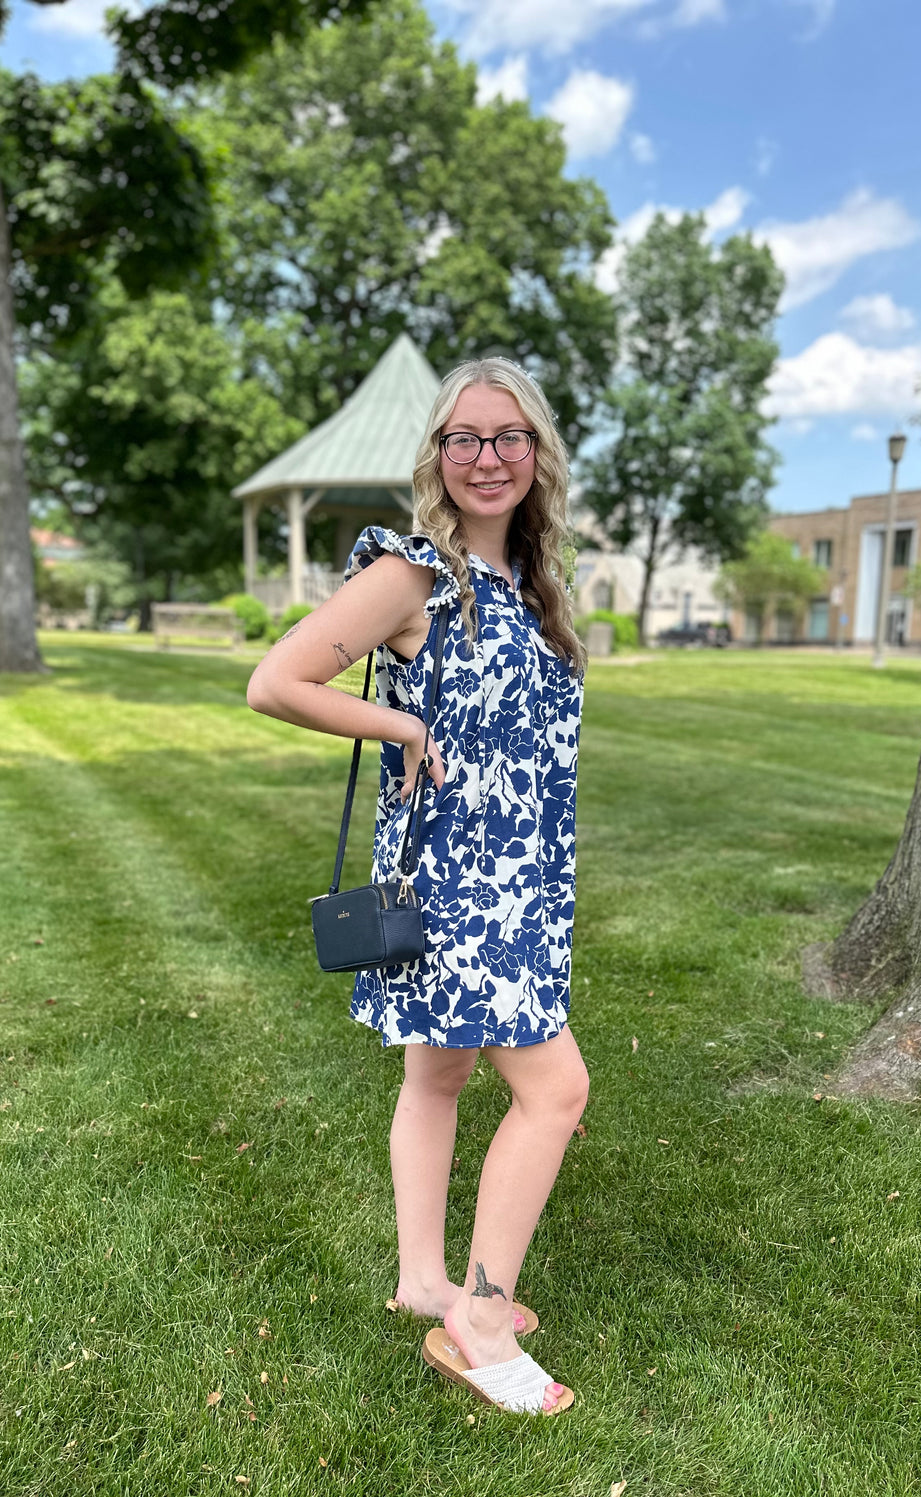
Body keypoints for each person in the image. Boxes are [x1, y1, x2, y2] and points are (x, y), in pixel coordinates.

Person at [247, 357, 589, 1416]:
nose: (486, 457)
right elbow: (276, 681)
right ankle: (480, 1320)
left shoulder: (530, 583)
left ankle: (425, 1280)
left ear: (537, 453)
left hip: (520, 879)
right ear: (437, 454)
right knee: (555, 1091)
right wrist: (400, 720)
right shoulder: (414, 573)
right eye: (463, 438)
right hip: (456, 886)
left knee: (437, 1075)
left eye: (508, 436)